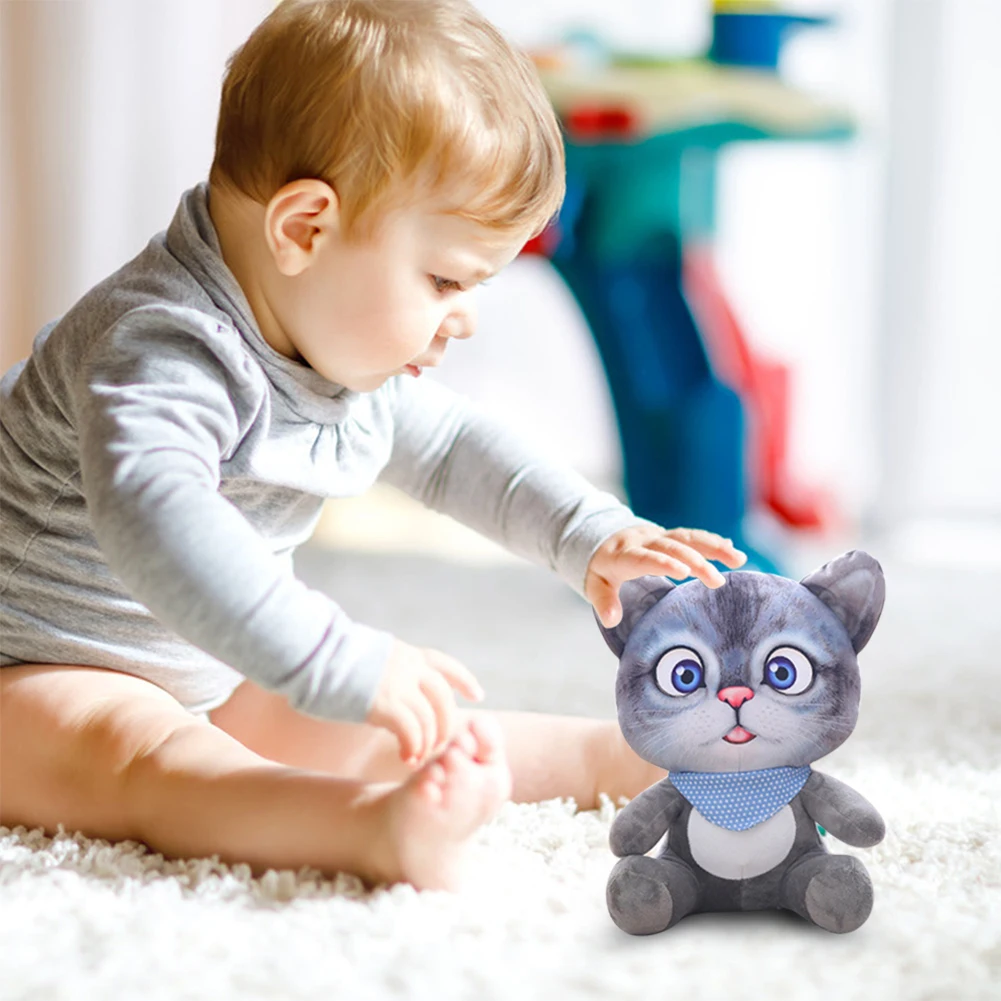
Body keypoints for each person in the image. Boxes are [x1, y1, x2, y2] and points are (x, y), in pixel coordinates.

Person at [0, 0, 745, 891]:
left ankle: (614, 761)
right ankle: (369, 832)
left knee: (382, 726)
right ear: (303, 228)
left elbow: (452, 448)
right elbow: (158, 518)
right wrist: (332, 655)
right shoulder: (161, 348)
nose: (464, 318)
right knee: (149, 758)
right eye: (444, 279)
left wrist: (588, 530)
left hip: (196, 660)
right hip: (34, 665)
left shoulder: (318, 339)